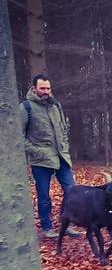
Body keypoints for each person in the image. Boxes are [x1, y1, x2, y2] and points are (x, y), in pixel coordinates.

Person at [21, 74, 81, 239]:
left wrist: (65, 145)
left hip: (61, 156)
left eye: (48, 88)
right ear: (34, 89)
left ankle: (66, 224)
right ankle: (47, 228)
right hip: (41, 160)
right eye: (42, 88)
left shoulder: (56, 105)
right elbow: (18, 136)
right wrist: (37, 151)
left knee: (71, 190)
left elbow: (64, 128)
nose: (46, 91)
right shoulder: (26, 107)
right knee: (44, 196)